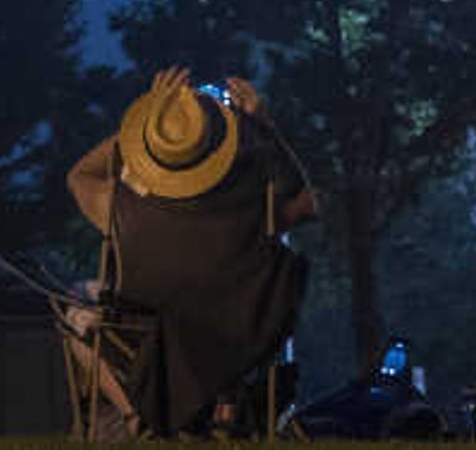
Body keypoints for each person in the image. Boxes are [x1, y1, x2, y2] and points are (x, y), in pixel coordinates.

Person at [66, 66, 323, 436]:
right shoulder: (252, 209)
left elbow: (78, 177)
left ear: (152, 148)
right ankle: (220, 401)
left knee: (74, 307)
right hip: (234, 339)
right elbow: (307, 203)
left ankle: (134, 415)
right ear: (219, 147)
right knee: (210, 312)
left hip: (150, 338)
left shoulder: (119, 206)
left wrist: (145, 124)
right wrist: (264, 127)